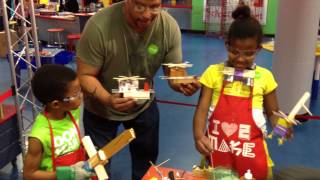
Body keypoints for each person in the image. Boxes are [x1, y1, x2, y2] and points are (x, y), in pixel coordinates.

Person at [76, 0, 200, 179]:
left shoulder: (168, 27)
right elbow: (85, 75)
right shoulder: (99, 25)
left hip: (143, 105)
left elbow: (175, 74)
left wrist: (182, 84)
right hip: (100, 109)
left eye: (154, 7)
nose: (147, 14)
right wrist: (108, 99)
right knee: (97, 170)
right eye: (140, 6)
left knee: (146, 166)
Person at [193, 5, 292, 180]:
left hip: (251, 155)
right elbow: (201, 109)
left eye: (248, 54)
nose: (240, 59)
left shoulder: (265, 77)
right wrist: (199, 135)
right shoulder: (213, 73)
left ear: (258, 49)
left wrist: (282, 125)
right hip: (218, 153)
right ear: (226, 45)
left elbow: (273, 113)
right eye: (234, 51)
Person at [23, 64, 93, 180]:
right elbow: (29, 175)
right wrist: (68, 174)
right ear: (56, 104)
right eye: (75, 94)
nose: (81, 95)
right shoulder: (39, 135)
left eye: (79, 90)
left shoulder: (71, 112)